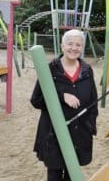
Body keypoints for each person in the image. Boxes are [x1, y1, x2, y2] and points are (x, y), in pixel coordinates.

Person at [30, 29, 98, 181]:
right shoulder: (50, 69)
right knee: (54, 174)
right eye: (70, 44)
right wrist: (61, 96)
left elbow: (93, 101)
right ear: (62, 45)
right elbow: (36, 100)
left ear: (82, 48)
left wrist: (91, 126)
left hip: (79, 132)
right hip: (53, 133)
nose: (74, 48)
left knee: (71, 174)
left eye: (78, 45)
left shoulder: (87, 71)